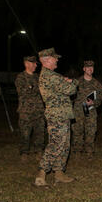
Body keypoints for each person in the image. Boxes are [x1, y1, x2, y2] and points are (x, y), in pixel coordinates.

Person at [35, 48, 79, 186]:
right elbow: (70, 90)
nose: (57, 60)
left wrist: (65, 81)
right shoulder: (50, 76)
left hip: (61, 115)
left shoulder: (51, 76)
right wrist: (73, 82)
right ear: (47, 60)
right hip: (57, 116)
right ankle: (41, 173)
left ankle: (59, 173)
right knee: (56, 144)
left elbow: (62, 87)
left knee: (64, 145)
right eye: (55, 58)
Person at [15, 56, 45, 162]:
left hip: (39, 110)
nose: (36, 65)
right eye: (33, 63)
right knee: (25, 133)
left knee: (40, 132)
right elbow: (23, 91)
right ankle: (24, 152)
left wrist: (32, 87)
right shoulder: (20, 77)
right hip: (26, 111)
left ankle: (39, 151)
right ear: (27, 63)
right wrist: (34, 88)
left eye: (36, 63)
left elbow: (42, 90)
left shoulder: (38, 77)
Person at [71, 60, 102, 158]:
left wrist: (94, 102)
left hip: (91, 112)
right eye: (88, 67)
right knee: (77, 131)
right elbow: (70, 96)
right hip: (78, 111)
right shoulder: (77, 82)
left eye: (92, 67)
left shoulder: (97, 84)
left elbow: (100, 99)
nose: (90, 69)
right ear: (84, 69)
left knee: (91, 131)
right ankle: (77, 151)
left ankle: (89, 151)